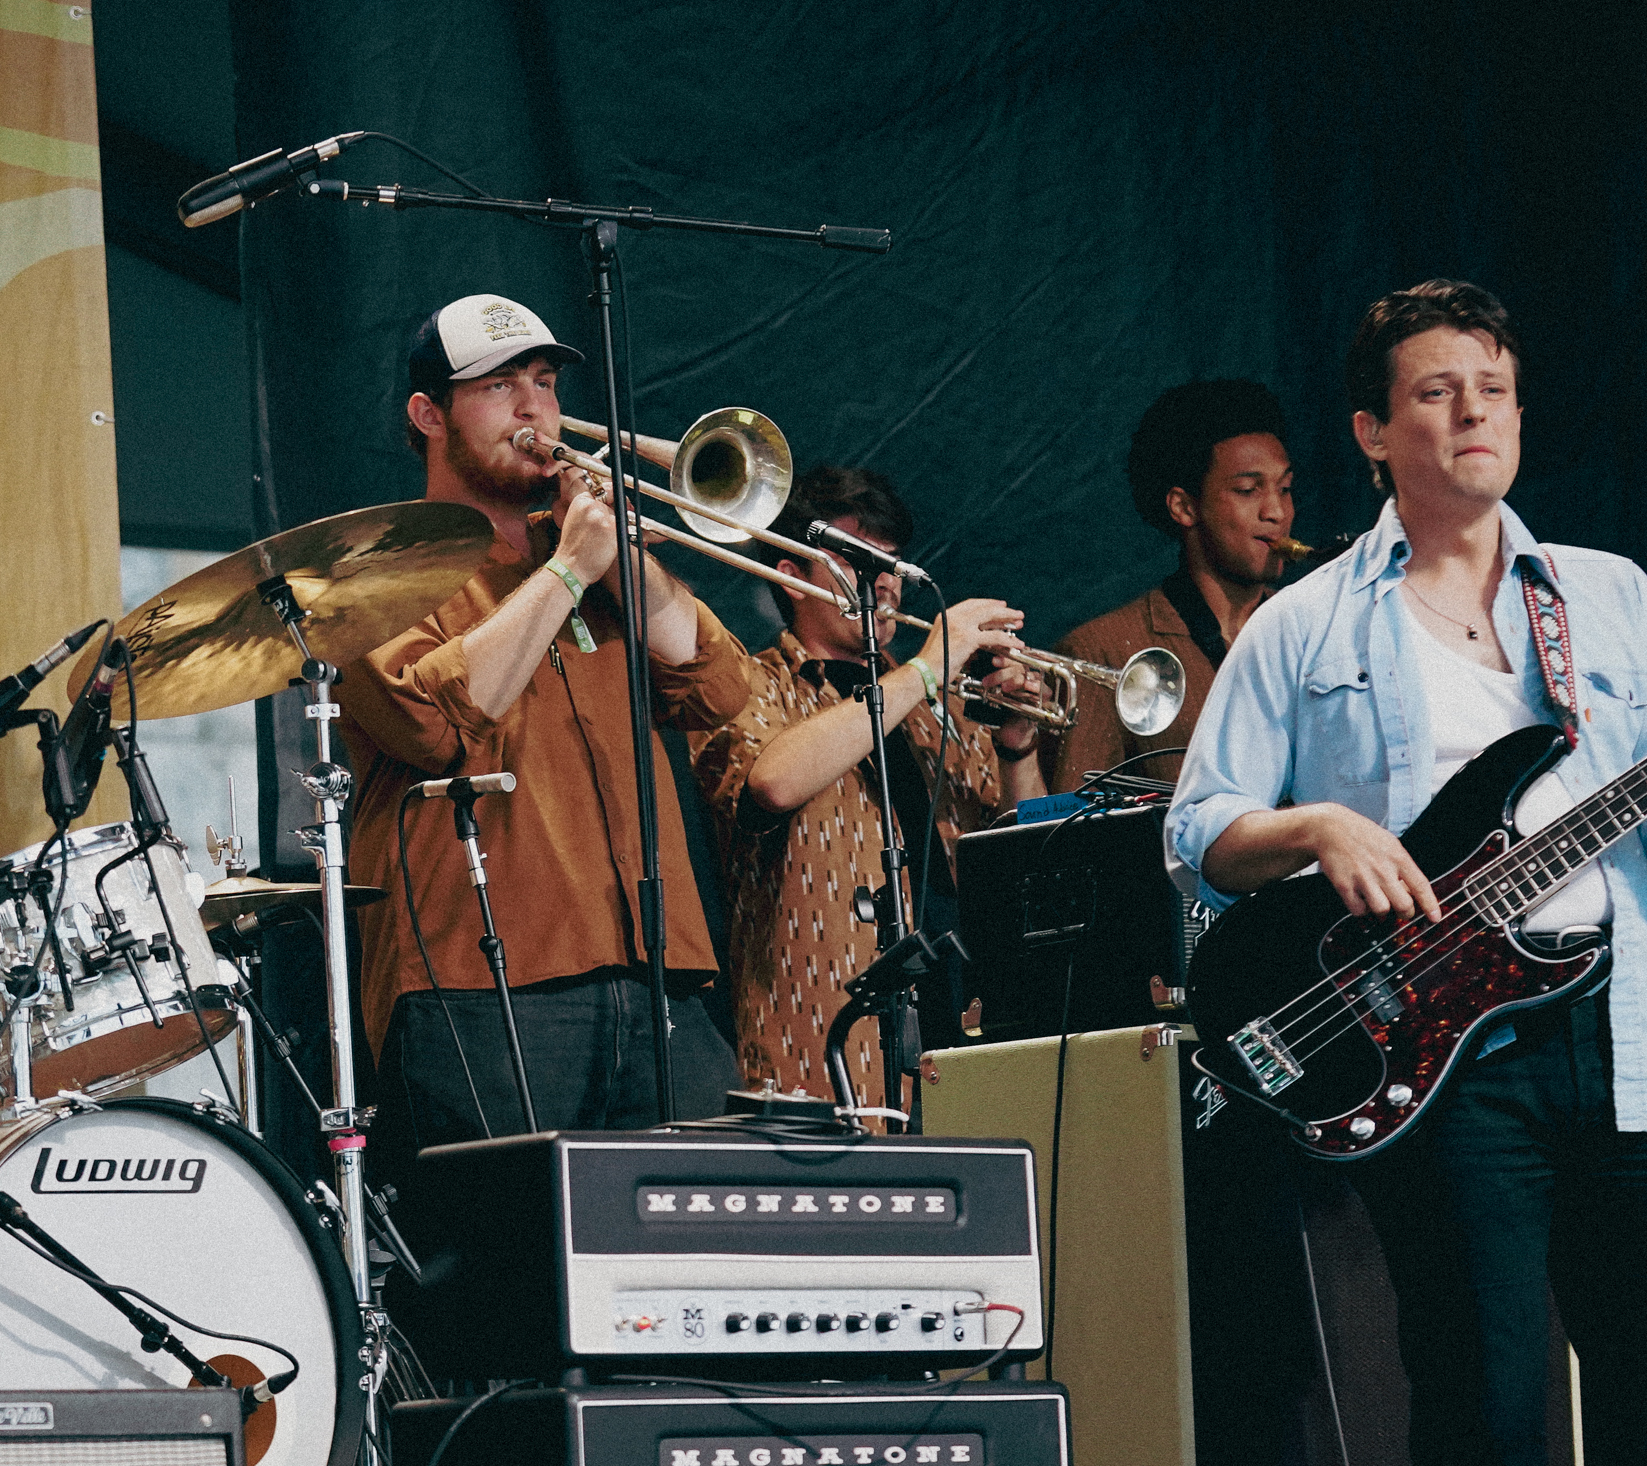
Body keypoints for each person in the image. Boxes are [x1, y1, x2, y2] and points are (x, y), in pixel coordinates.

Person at [1167, 279, 1647, 1466]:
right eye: (1437, 392)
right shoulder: (1305, 623)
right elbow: (1199, 832)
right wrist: (1319, 825)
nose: (1473, 413)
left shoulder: (1606, 597)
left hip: (1623, 1045)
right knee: (1487, 1431)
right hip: (1445, 1062)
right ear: (1374, 432)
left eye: (1492, 388)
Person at [339, 293, 750, 1157]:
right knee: (508, 1275)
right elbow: (428, 721)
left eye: (544, 381)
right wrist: (567, 570)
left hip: (658, 977)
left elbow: (719, 688)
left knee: (684, 1267)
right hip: (479, 988)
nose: (535, 409)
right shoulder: (376, 570)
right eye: (497, 386)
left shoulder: (596, 560)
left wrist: (615, 557)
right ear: (429, 416)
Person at [689, 467, 1045, 1097]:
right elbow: (772, 782)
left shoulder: (945, 710)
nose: (885, 583)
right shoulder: (747, 685)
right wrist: (927, 668)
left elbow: (1027, 870)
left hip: (964, 1041)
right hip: (818, 1051)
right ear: (791, 575)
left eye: (894, 564)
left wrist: (1017, 747)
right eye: (857, 560)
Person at [1046, 379, 1294, 791]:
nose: (1277, 511)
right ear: (1183, 506)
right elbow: (1073, 833)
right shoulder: (1099, 653)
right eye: (1249, 490)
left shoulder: (1312, 631)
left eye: (1285, 489)